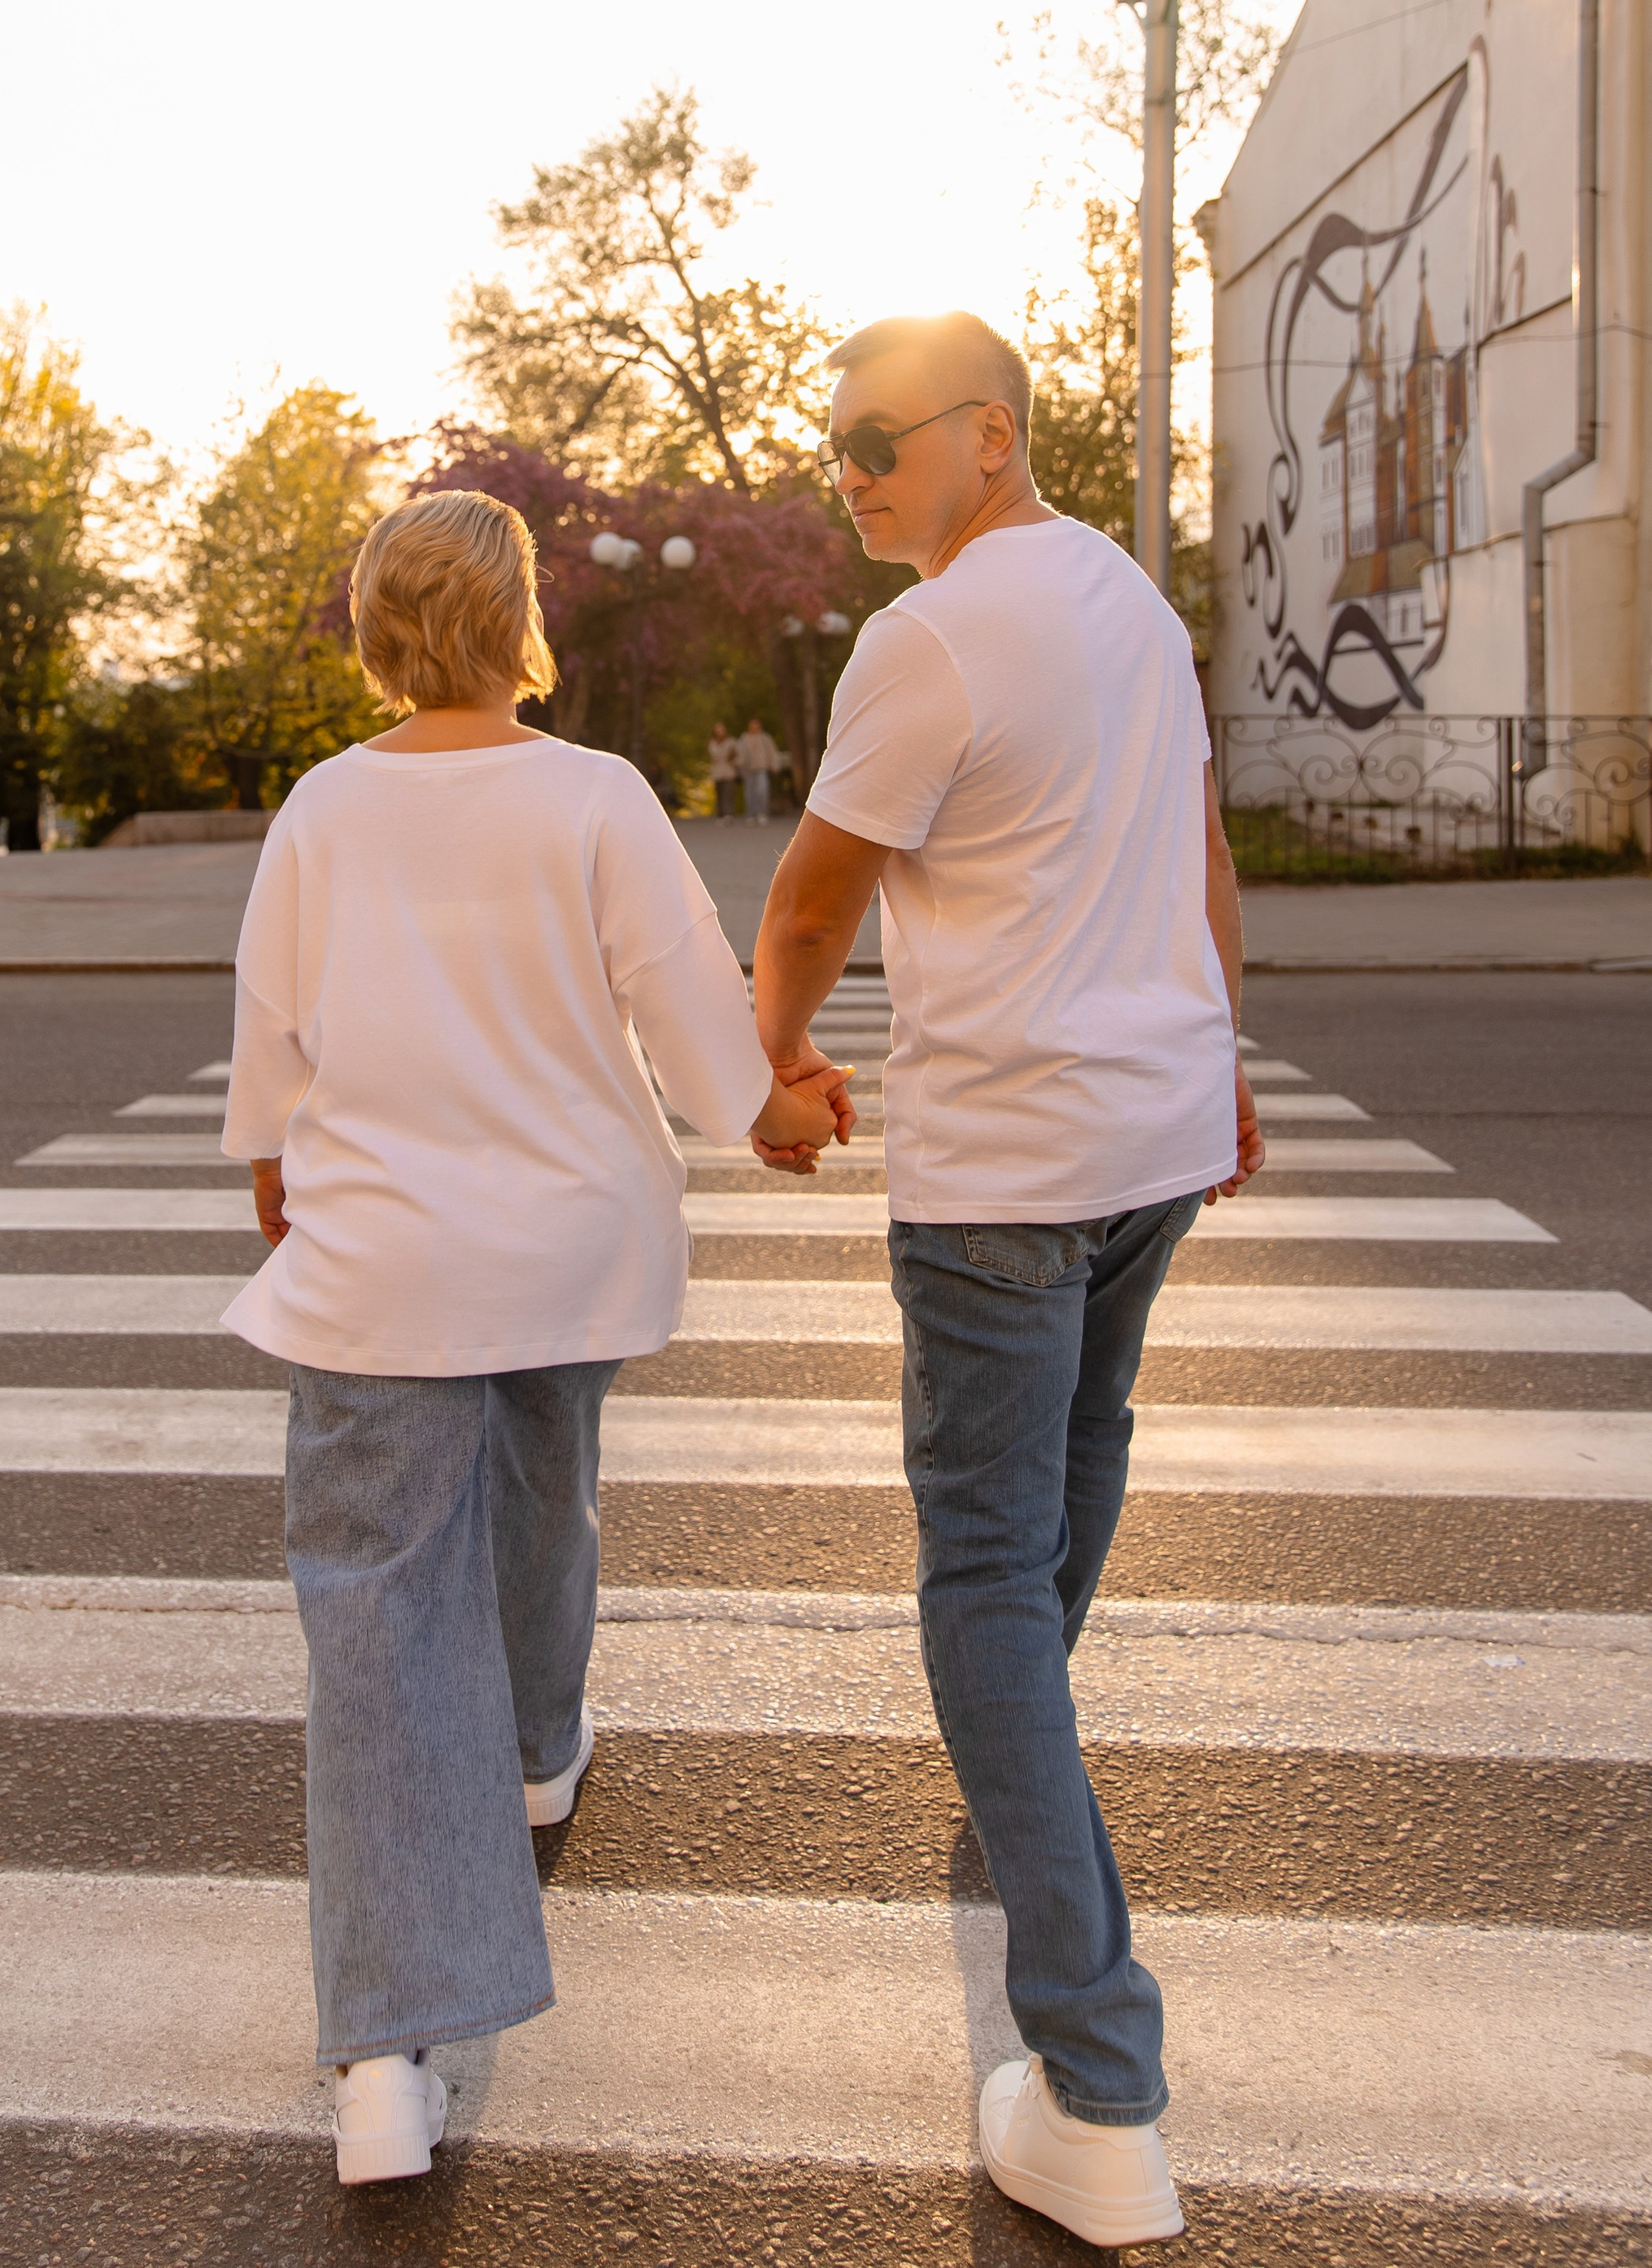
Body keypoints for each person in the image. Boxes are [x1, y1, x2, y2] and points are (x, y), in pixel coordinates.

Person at [217, 489, 848, 2190]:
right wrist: (778, 1108)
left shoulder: (323, 809)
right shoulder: (594, 795)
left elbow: (273, 1029)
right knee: (545, 1490)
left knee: (377, 1616)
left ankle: (385, 2052)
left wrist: (273, 1157)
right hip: (567, 1246)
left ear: (376, 634)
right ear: (521, 629)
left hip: (385, 1261)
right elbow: (690, 1017)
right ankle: (535, 1753)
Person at [752, 311, 1263, 2252]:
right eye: (833, 448)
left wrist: (771, 1066)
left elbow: (812, 896)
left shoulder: (931, 634)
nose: (851, 472)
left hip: (1004, 1168)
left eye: (878, 436)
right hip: (1144, 1140)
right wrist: (1221, 1060)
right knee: (1072, 1464)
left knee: (978, 1565)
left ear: (991, 430)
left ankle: (1096, 2083)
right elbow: (1199, 855)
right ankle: (1016, 1752)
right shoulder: (1130, 601)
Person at [736, 714, 782, 822]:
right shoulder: (744, 738)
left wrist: (775, 765)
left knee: (762, 790)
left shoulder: (765, 738)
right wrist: (739, 765)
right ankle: (751, 814)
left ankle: (762, 813)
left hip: (762, 768)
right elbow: (739, 753)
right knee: (749, 793)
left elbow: (772, 752)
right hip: (748, 768)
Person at [705, 720, 739, 816]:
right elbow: (715, 755)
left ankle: (728, 814)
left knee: (728, 795)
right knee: (719, 795)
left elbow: (739, 756)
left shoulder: (732, 742)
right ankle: (721, 815)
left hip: (729, 772)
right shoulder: (712, 743)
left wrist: (733, 760)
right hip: (717, 773)